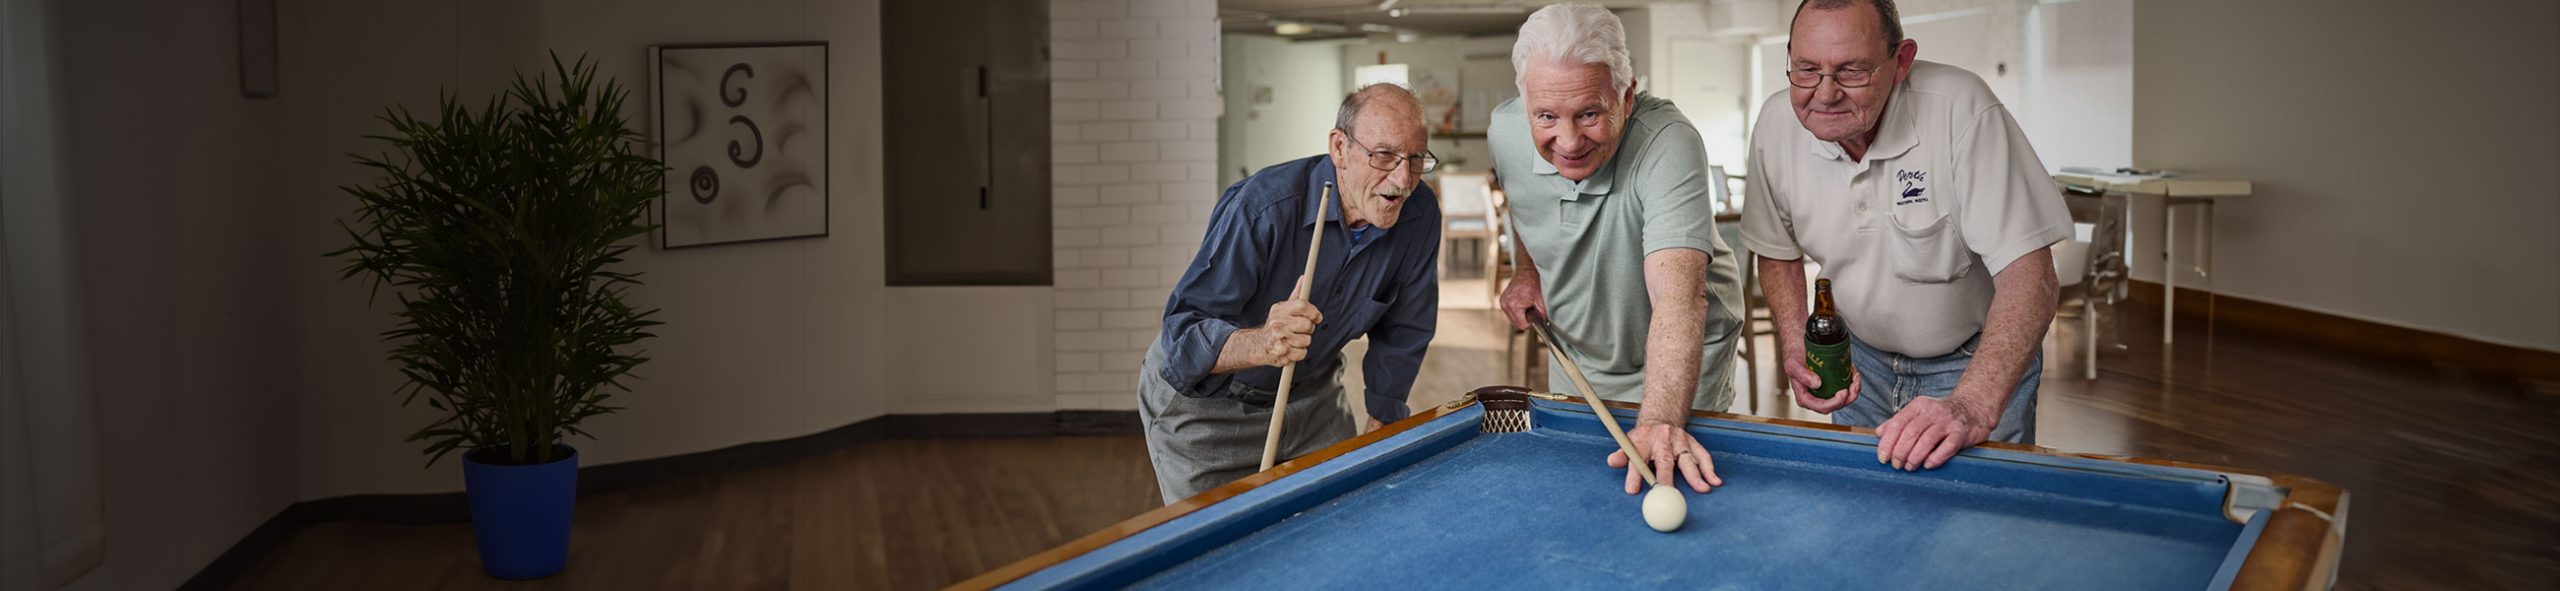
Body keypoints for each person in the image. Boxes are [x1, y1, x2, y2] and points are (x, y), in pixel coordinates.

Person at [1740, 0, 2070, 472]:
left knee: (1983, 523)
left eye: (1852, 71)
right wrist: (1797, 345)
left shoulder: (1962, 109)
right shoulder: (1775, 124)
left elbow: (2032, 278)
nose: (1825, 94)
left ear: (1901, 61)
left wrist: (1972, 404)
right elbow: (1777, 253)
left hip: (1972, 365)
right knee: (1868, 518)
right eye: (1806, 69)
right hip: (1858, 366)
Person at [1137, 84, 1443, 503]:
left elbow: (1406, 326)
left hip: (1313, 399)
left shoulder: (1419, 213)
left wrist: (1383, 416)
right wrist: (1263, 342)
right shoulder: (1263, 207)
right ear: (1339, 147)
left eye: (1415, 159)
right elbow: (1182, 341)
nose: (1403, 179)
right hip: (1208, 408)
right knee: (1224, 549)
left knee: (1336, 521)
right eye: (1384, 156)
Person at [1490, 3, 1748, 497]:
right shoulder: (1505, 132)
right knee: (1580, 496)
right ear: (1523, 102)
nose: (1567, 141)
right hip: (1575, 354)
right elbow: (1521, 198)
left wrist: (1660, 420)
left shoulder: (1669, 143)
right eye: (1545, 116)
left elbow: (1678, 299)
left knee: (1676, 483)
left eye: (1589, 113)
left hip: (1680, 363)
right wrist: (1527, 271)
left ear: (1627, 97)